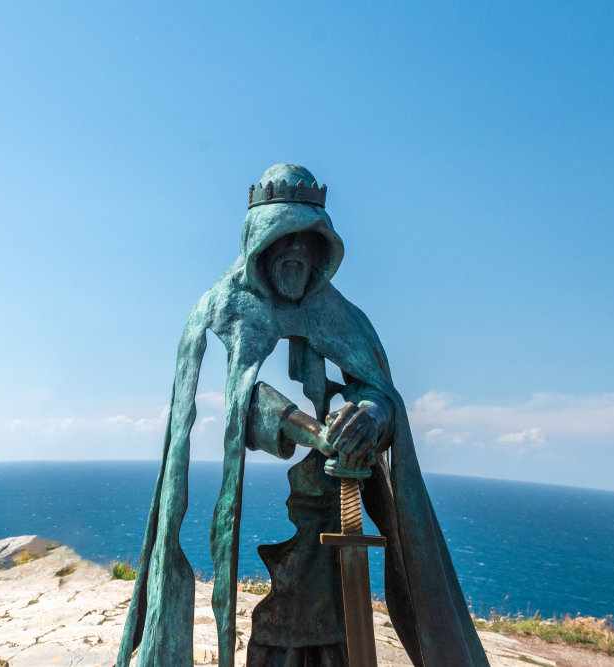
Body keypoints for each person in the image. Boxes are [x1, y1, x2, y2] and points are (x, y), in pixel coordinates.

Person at [116, 164, 489, 667]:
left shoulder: (344, 318)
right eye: (282, 236)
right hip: (316, 501)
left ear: (321, 248)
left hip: (332, 511)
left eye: (306, 238)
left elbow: (381, 394)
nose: (294, 250)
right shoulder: (219, 308)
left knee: (324, 625)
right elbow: (239, 403)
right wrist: (311, 430)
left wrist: (369, 415)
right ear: (259, 244)